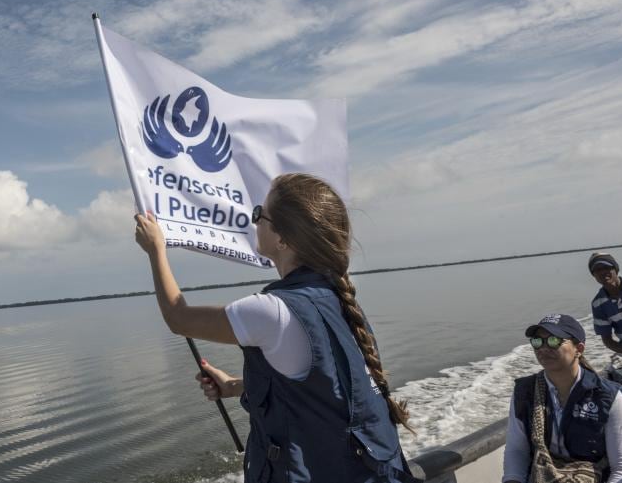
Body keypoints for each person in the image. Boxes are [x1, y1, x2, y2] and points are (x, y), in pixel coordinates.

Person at [133, 173, 415, 483]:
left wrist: (156, 249)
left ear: (283, 239)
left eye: (259, 214)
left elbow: (179, 318)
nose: (253, 221)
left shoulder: (271, 311)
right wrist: (234, 386)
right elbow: (322, 387)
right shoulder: (340, 300)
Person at [502, 314, 622, 483]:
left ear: (579, 349)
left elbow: (621, 468)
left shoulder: (609, 397)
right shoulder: (525, 392)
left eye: (554, 340)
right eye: (537, 341)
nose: (544, 348)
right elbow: (516, 451)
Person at [590, 253, 622, 355]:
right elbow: (607, 340)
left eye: (606, 267)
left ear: (616, 269)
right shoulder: (598, 304)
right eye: (597, 270)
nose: (602, 272)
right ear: (594, 275)